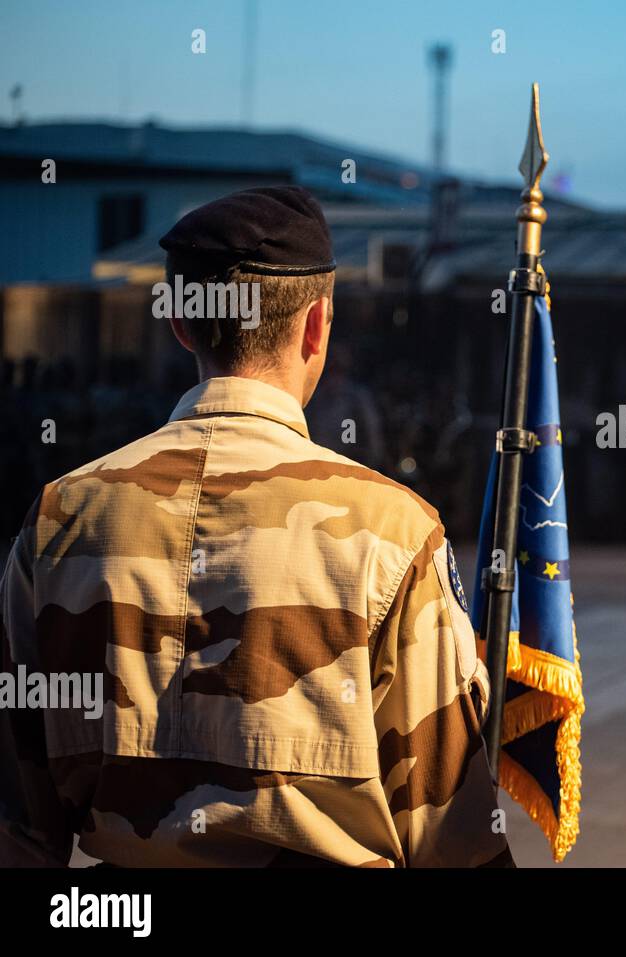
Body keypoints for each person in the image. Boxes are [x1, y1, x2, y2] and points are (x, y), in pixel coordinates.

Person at [0, 186, 511, 867]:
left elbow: (17, 829)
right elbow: (455, 837)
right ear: (317, 326)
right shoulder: (393, 535)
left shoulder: (58, 519)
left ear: (181, 322)